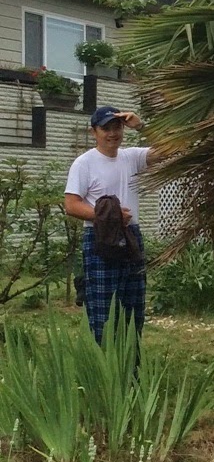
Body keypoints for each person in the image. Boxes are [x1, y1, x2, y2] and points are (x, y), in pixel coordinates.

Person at [64, 105, 158, 343]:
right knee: (103, 311)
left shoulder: (132, 157)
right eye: (106, 128)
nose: (112, 133)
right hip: (100, 238)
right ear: (94, 131)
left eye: (117, 127)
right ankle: (104, 369)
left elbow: (172, 149)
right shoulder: (84, 163)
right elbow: (72, 205)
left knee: (133, 307)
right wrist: (110, 216)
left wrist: (141, 126)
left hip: (130, 237)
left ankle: (132, 369)